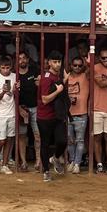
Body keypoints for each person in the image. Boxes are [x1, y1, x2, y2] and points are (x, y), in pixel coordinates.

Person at [36, 51, 69, 182]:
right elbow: (44, 99)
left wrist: (64, 81)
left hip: (57, 116)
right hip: (44, 117)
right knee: (45, 144)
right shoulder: (46, 78)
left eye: (59, 62)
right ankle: (46, 171)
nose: (57, 64)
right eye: (54, 62)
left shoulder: (57, 77)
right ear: (49, 63)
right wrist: (59, 90)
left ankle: (55, 158)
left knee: (63, 141)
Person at [0, 55, 16, 175]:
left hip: (12, 112)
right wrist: (4, 91)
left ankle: (5, 164)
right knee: (1, 140)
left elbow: (17, 94)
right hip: (0, 114)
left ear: (11, 67)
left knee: (10, 139)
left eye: (7, 67)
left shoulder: (15, 77)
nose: (5, 70)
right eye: (3, 67)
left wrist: (14, 90)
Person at [66, 56, 88, 173]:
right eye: (75, 65)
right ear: (71, 65)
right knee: (70, 140)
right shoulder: (66, 77)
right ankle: (72, 161)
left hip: (81, 113)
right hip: (68, 113)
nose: (77, 67)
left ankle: (77, 164)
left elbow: (91, 71)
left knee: (80, 140)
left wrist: (88, 63)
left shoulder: (85, 76)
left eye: (80, 65)